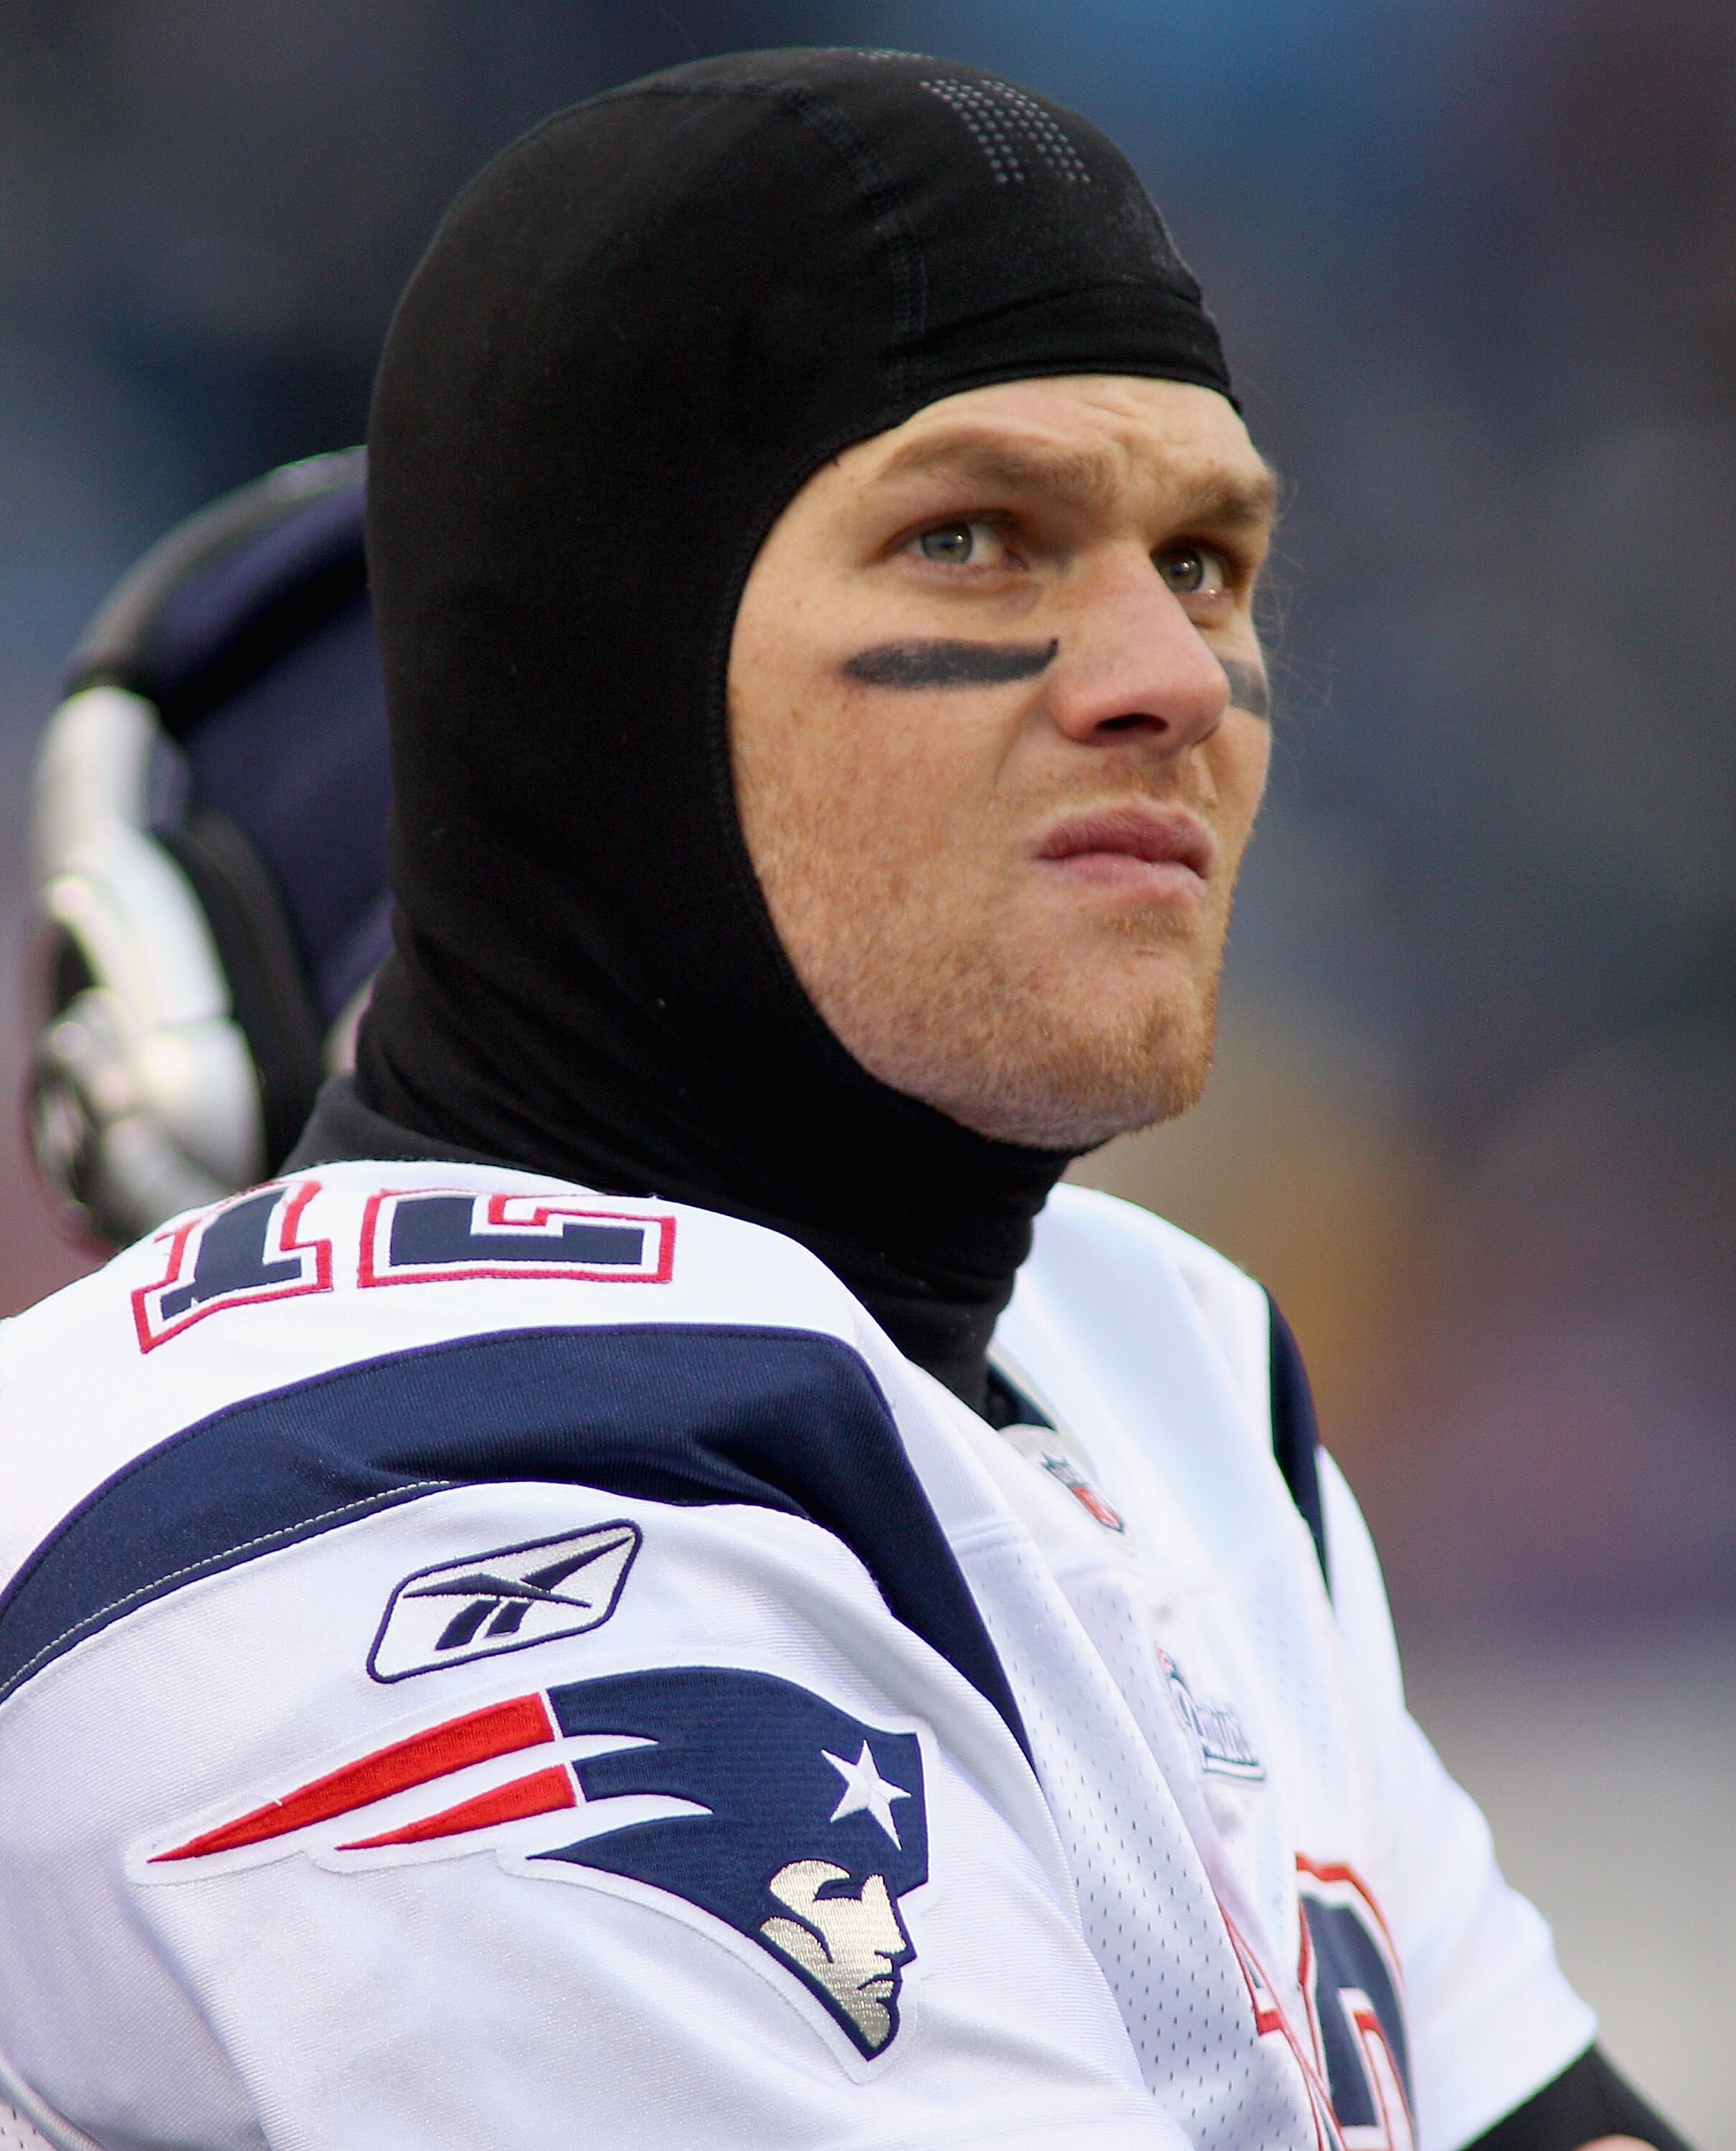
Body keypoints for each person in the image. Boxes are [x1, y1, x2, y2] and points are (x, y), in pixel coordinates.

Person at [0, 48, 1692, 2151]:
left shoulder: (1131, 1343)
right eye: (976, 539)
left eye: (1203, 558)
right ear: (594, 669)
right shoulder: (386, 1547)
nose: (1168, 673)